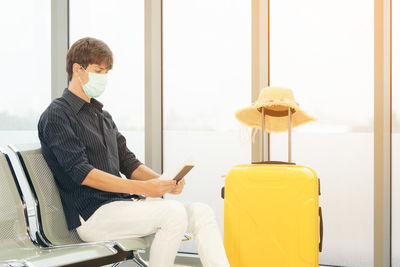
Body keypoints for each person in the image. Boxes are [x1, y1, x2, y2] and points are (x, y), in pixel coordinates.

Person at [38, 37, 230, 267]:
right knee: (172, 214)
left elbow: (129, 164)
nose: (103, 78)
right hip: (92, 215)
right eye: (98, 70)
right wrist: (143, 188)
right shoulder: (57, 115)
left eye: (106, 72)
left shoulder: (102, 116)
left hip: (123, 206)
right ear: (78, 69)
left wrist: (163, 181)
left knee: (202, 212)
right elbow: (82, 173)